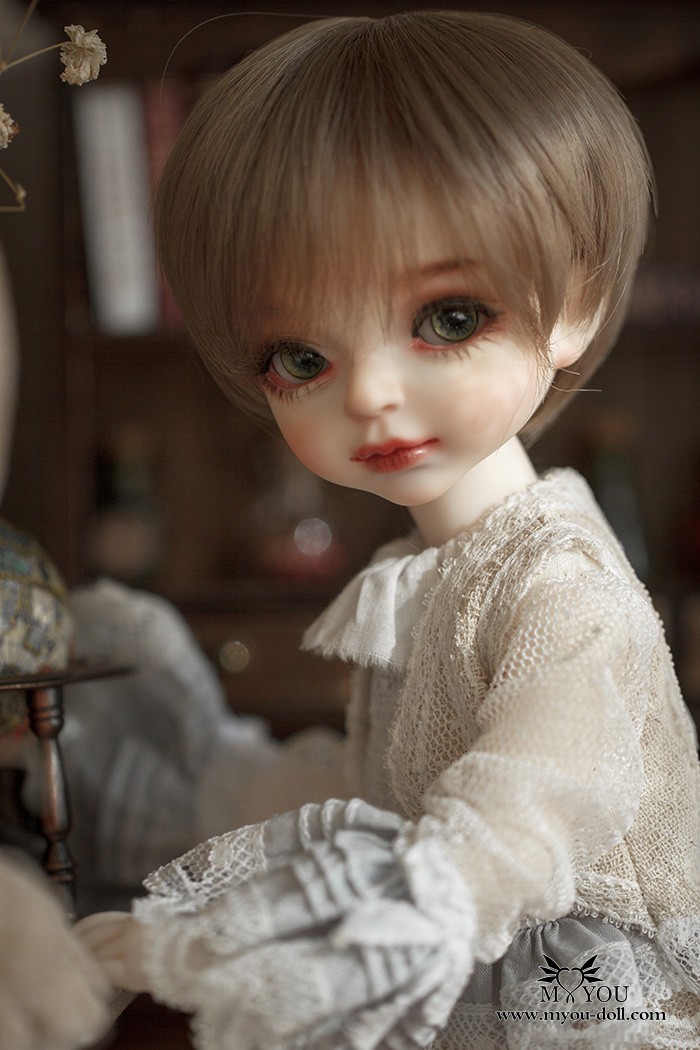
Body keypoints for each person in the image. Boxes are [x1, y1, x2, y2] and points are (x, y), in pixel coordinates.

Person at [74, 11, 700, 1049]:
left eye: (448, 319)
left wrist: (245, 938)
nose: (368, 393)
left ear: (578, 302)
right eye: (302, 358)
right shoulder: (440, 566)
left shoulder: (563, 590)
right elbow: (396, 790)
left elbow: (525, 812)